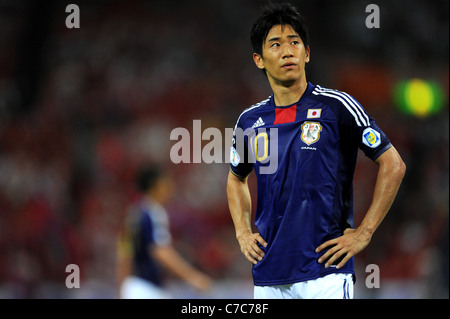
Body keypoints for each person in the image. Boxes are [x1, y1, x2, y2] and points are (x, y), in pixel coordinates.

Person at [227, 2, 406, 299]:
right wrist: (242, 232)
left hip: (326, 272)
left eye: (295, 42)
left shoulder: (337, 106)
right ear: (259, 59)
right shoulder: (250, 122)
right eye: (276, 44)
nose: (287, 51)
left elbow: (393, 164)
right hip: (269, 275)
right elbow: (236, 178)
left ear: (307, 53)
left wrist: (365, 232)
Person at [117, 165, 213, 298]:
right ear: (155, 185)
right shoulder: (153, 213)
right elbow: (160, 251)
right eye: (166, 183)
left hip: (133, 288)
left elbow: (124, 255)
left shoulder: (134, 214)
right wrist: (192, 277)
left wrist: (123, 288)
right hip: (148, 289)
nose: (170, 187)